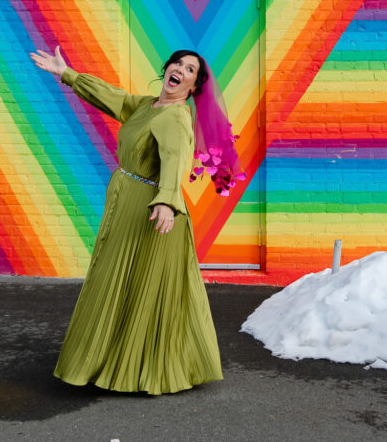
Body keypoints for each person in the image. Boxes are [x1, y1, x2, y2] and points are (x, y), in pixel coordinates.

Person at [30, 45, 235, 395]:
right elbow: (115, 98)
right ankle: (110, 356)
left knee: (138, 284)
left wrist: (168, 202)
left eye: (190, 71)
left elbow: (174, 158)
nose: (180, 71)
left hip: (151, 210)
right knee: (120, 279)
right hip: (128, 201)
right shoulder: (147, 107)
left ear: (193, 88)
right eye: (178, 64)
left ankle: (142, 367)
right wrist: (67, 74)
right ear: (167, 67)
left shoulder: (176, 117)